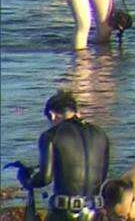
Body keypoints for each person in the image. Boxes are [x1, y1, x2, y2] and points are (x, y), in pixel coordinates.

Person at [12, 91, 109, 221]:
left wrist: (26, 180)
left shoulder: (51, 136)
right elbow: (102, 177)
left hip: (64, 213)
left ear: (52, 115)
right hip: (95, 212)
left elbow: (45, 179)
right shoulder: (101, 134)